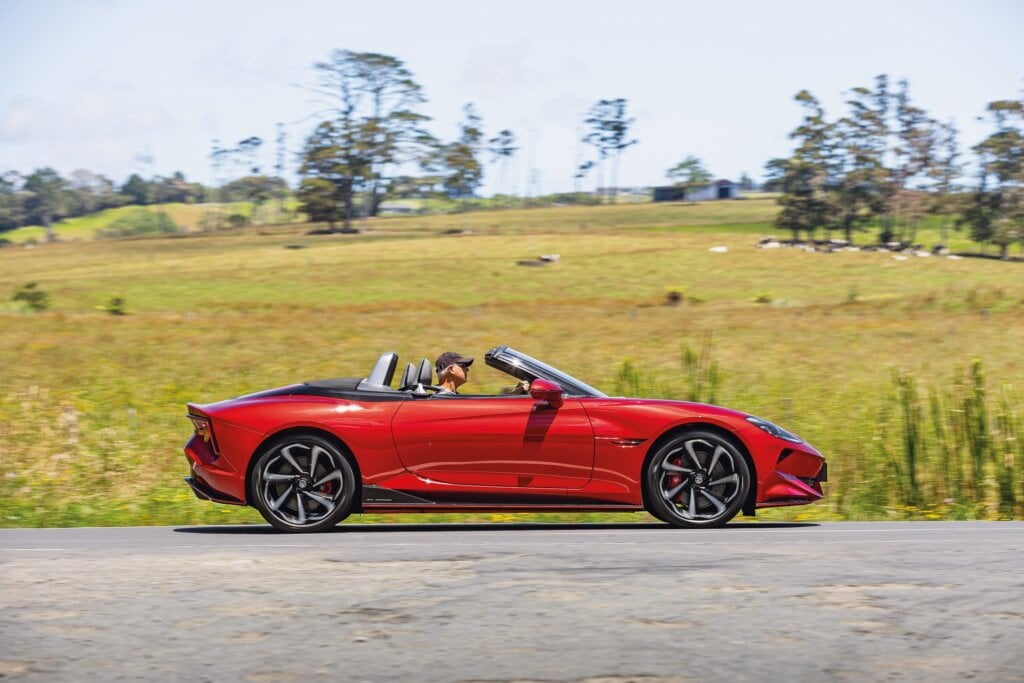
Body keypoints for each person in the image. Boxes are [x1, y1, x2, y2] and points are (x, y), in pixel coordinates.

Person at [434, 351, 531, 395]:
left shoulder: (450, 396)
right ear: (451, 369)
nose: (467, 370)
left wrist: (516, 392)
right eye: (463, 366)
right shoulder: (442, 398)